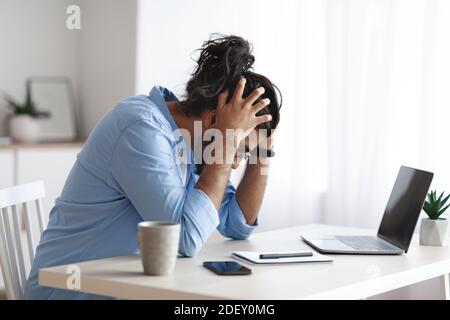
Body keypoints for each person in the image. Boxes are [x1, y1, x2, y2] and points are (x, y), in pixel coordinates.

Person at [24, 34, 281, 299]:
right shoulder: (140, 128)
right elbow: (183, 240)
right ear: (213, 118)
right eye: (239, 149)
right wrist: (226, 144)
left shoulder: (194, 143)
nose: (235, 162)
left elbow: (235, 223)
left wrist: (262, 153)